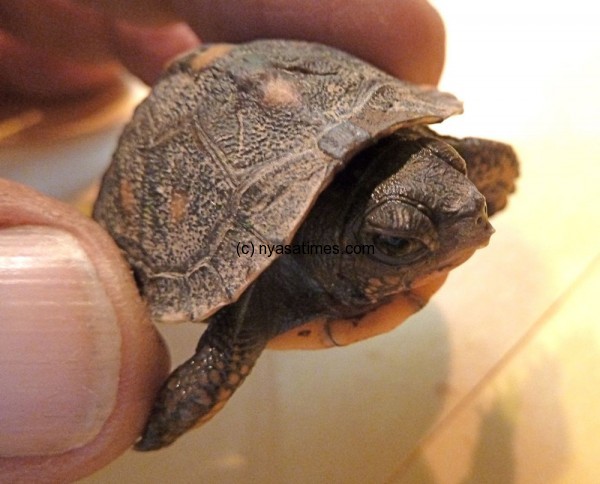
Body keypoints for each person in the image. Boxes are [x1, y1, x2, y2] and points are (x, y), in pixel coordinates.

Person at [0, 1, 445, 480]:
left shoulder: (427, 199)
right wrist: (155, 425)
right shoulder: (266, 294)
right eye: (395, 243)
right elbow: (216, 362)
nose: (473, 218)